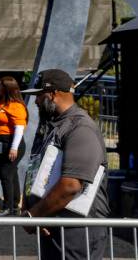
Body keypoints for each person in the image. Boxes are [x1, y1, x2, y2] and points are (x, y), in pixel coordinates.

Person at [21, 69, 109, 260]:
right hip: (55, 226)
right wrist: (33, 209)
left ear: (53, 94)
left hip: (77, 233)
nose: (36, 101)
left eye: (39, 95)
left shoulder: (80, 128)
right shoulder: (53, 125)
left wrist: (33, 216)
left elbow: (70, 186)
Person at [0, 76, 28, 215]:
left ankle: (8, 207)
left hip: (10, 144)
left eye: (0, 86)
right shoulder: (2, 104)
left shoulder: (16, 106)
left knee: (5, 174)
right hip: (0, 143)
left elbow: (19, 128)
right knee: (12, 173)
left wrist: (14, 147)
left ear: (7, 89)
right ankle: (15, 203)